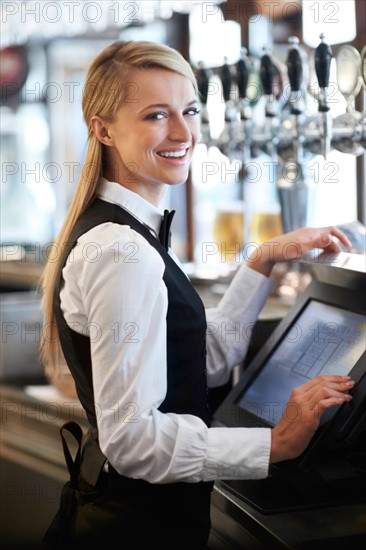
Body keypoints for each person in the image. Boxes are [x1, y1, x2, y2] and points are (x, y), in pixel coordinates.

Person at [40, 40, 354, 549]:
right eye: (156, 116)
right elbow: (132, 442)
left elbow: (199, 362)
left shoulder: (133, 233)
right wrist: (274, 443)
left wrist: (262, 261)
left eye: (189, 110)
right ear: (102, 129)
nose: (184, 133)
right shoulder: (122, 249)